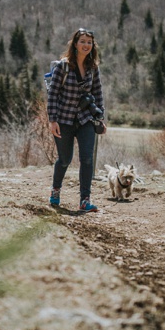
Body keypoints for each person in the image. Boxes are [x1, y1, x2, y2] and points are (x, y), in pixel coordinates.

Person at [46, 28, 107, 212]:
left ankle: (85, 200)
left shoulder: (93, 68)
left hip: (85, 119)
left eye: (89, 42)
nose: (86, 45)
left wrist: (100, 117)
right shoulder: (63, 67)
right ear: (75, 44)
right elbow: (53, 94)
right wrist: (52, 120)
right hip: (63, 119)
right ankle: (56, 190)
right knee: (65, 159)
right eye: (82, 41)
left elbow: (98, 94)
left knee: (87, 159)